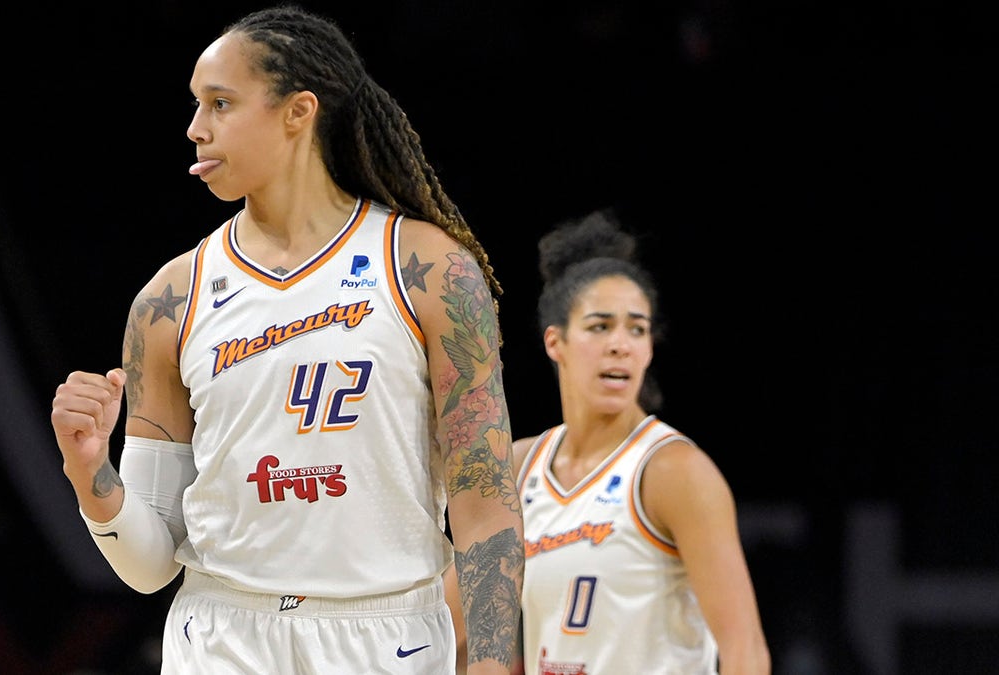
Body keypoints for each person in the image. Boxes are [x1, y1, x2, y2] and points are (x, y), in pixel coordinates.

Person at [49, 5, 523, 674]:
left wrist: (494, 663)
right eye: (194, 105)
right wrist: (88, 471)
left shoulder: (431, 270)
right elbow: (151, 566)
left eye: (220, 103)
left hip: (389, 636)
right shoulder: (168, 300)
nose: (194, 128)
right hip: (221, 635)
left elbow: (485, 504)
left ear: (298, 112)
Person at [446, 209, 770, 674]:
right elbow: (445, 624)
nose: (621, 343)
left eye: (636, 329)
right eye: (600, 326)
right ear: (555, 342)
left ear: (649, 349)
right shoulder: (519, 467)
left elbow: (746, 652)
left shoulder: (672, 471)